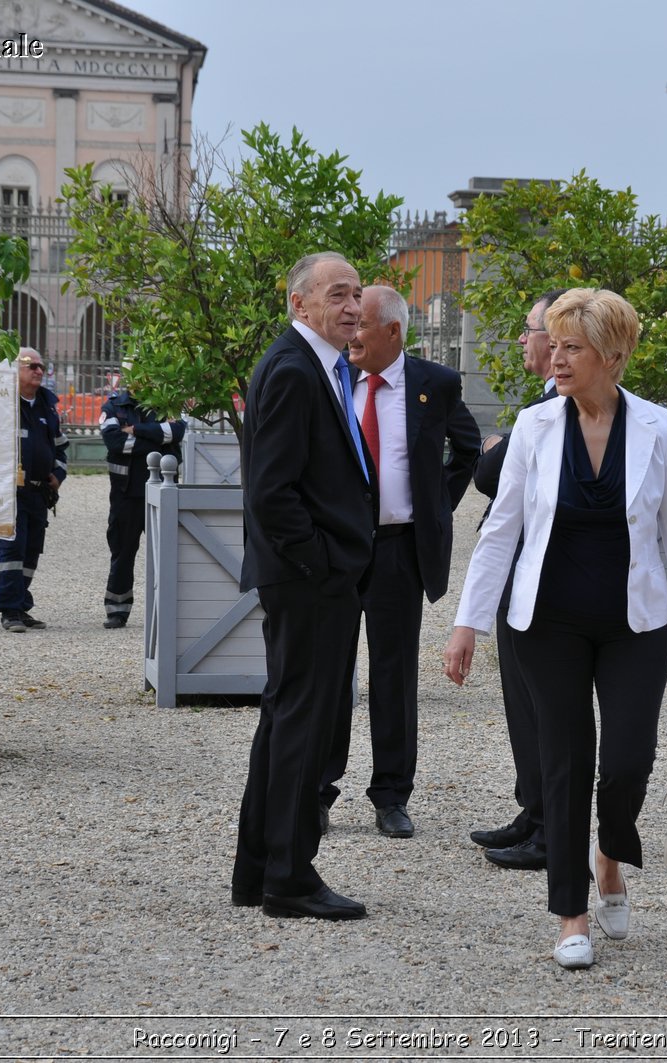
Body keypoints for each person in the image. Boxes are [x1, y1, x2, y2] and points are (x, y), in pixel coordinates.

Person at [443, 288, 667, 971]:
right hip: (548, 623)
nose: (556, 355)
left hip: (634, 623)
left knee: (628, 761)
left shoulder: (658, 429)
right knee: (565, 763)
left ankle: (611, 852)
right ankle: (571, 910)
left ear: (613, 354)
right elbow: (501, 531)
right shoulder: (535, 426)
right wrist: (467, 623)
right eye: (554, 341)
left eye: (572, 345)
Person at [231, 252, 376, 921]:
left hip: (313, 577)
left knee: (287, 718)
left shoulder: (322, 365)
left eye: (356, 295)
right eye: (336, 295)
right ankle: (290, 875)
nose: (352, 307)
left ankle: (259, 867)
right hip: (309, 580)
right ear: (299, 304)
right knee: (302, 725)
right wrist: (319, 562)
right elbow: (271, 491)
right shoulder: (294, 369)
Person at [319, 285, 480, 839]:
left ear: (392, 331)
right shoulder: (331, 379)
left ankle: (391, 795)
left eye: (360, 325)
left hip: (396, 552)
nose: (351, 335)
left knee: (393, 676)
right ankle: (319, 789)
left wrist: (435, 507)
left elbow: (467, 449)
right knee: (331, 673)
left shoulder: (434, 384)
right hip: (339, 553)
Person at [467, 289, 567, 871]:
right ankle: (533, 812)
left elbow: (488, 472)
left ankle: (550, 828)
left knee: (541, 706)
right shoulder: (541, 401)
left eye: (528, 329)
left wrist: (498, 449)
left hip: (541, 573)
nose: (522, 339)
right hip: (516, 567)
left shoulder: (557, 409)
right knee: (520, 703)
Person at [98, 389, 186, 629]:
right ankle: (117, 609)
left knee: (168, 553)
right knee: (123, 552)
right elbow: (114, 441)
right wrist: (159, 440)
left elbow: (177, 432)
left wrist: (136, 430)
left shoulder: (166, 402)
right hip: (126, 494)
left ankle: (169, 611)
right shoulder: (114, 407)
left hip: (164, 494)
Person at [0, 347, 68, 633]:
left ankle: (21, 605)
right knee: (12, 549)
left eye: (41, 366)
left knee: (31, 551)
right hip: (10, 491)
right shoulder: (2, 404)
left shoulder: (47, 406)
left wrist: (58, 474)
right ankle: (9, 609)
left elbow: (61, 447)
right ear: (15, 371)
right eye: (32, 366)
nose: (39, 371)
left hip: (39, 492)